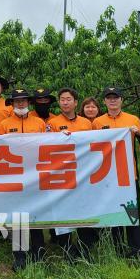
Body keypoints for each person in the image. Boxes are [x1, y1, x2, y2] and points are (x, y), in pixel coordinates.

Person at [90, 87, 140, 260]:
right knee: (113, 214)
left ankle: (137, 252)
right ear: (104, 102)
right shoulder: (97, 122)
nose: (112, 101)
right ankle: (118, 250)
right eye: (109, 98)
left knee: (132, 215)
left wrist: (138, 133)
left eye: (115, 97)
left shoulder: (133, 119)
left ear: (121, 100)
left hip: (129, 176)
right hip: (107, 177)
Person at [0, 89, 47, 270]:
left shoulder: (39, 122)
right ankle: (19, 255)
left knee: (36, 212)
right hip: (14, 174)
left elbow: (48, 145)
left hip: (35, 174)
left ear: (29, 103)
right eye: (17, 101)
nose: (20, 104)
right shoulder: (4, 124)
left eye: (24, 101)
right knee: (18, 214)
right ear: (11, 103)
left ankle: (39, 252)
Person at [45, 88, 91, 259]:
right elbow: (46, 146)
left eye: (68, 99)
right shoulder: (52, 123)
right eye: (62, 99)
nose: (65, 102)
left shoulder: (86, 123)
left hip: (83, 172)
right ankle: (66, 248)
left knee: (83, 209)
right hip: (62, 173)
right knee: (63, 211)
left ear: (76, 102)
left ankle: (84, 247)